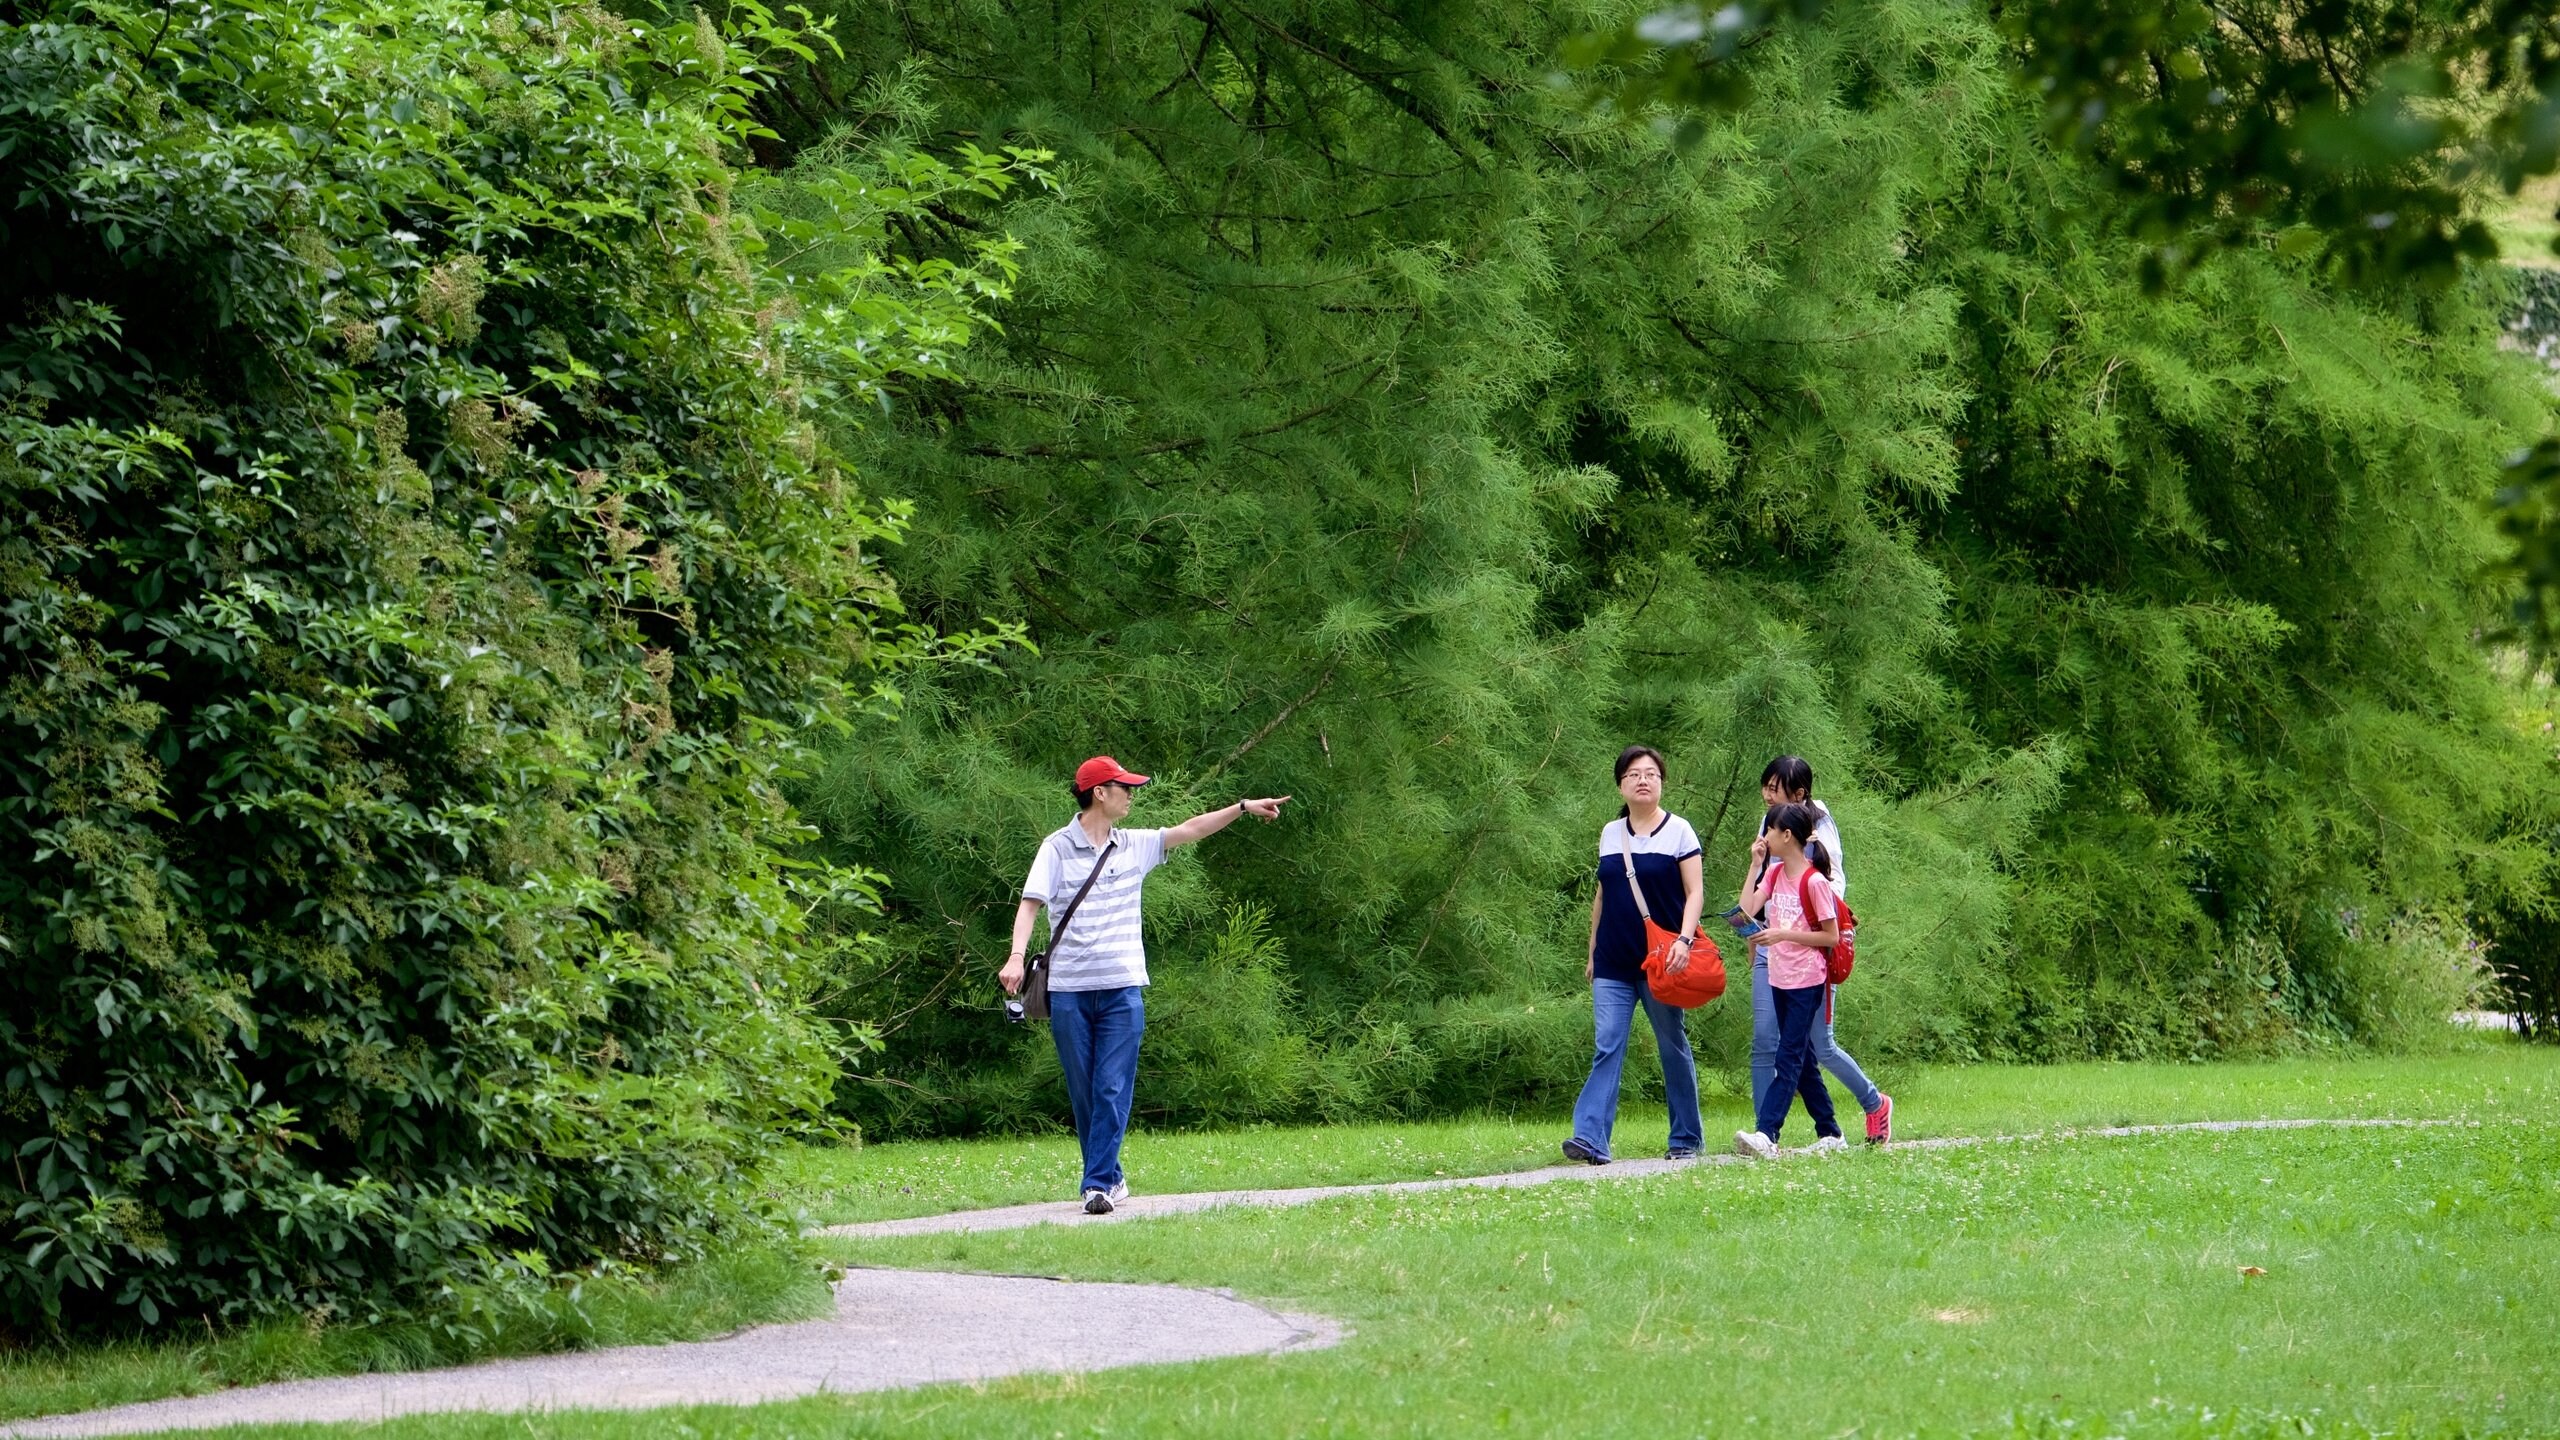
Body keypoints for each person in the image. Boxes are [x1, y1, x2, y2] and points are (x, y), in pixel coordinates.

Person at [1002, 756, 1291, 1215]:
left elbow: (1190, 829)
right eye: (1125, 787)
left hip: (1122, 991)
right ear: (1100, 792)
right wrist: (1016, 957)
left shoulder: (1133, 844)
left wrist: (1242, 807)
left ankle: (1096, 1185)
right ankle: (1111, 1177)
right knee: (1084, 1093)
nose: (1132, 795)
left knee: (1110, 1087)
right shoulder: (1055, 848)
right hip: (1069, 990)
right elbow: (1030, 905)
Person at [1562, 745, 1707, 1165]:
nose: (1643, 780)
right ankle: (1591, 1138)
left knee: (1671, 1044)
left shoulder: (1680, 831)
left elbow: (1695, 892)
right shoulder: (1611, 833)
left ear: (1661, 782)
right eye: (1633, 774)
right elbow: (1603, 893)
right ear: (1620, 785)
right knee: (1607, 1044)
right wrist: (1592, 950)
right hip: (1613, 959)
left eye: (1651, 774)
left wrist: (1684, 941)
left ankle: (1686, 1137)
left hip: (1662, 960)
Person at [1740, 757, 1894, 1145]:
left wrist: (1791, 929)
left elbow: (1830, 899)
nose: (1767, 795)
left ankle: (1873, 1103)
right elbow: (1756, 896)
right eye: (1765, 787)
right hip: (1772, 948)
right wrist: (1755, 935)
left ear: (1798, 795)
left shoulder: (1817, 833)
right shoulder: (1772, 832)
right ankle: (1764, 1132)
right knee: (1767, 1041)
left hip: (1809, 957)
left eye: (1774, 788)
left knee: (1818, 1046)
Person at [1732, 802, 1840, 1158]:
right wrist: (1754, 865)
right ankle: (1831, 1132)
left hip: (1807, 981)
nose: (1765, 836)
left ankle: (1767, 1133)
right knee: (1803, 1058)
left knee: (1788, 1056)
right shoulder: (1775, 873)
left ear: (1787, 835)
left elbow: (1831, 937)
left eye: (1770, 830)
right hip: (1779, 978)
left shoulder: (1815, 882)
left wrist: (1783, 934)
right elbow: (1747, 910)